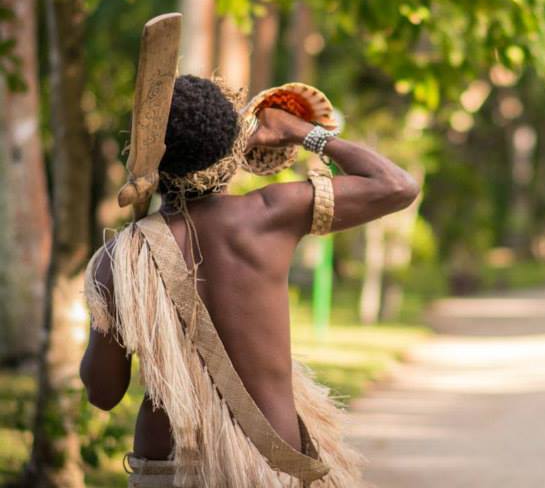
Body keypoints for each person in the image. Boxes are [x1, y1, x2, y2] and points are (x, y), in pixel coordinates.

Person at [80, 75, 419, 487]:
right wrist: (301, 132)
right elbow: (397, 185)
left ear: (145, 155)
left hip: (167, 469)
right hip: (269, 467)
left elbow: (102, 393)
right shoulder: (269, 215)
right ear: (233, 148)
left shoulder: (119, 258)